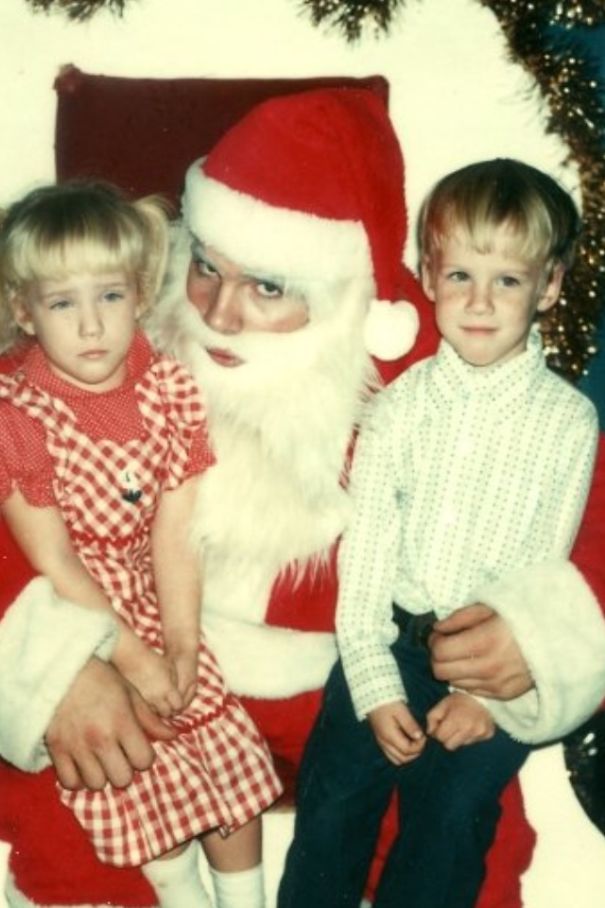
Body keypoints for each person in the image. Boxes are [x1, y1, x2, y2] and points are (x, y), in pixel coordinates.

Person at [1, 88, 605, 908]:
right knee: (73, 850)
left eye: (267, 287)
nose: (219, 314)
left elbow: (587, 507)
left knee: (460, 856)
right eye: (205, 267)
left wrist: (537, 633)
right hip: (145, 670)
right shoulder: (107, 333)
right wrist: (56, 665)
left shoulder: (417, 353)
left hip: (348, 681)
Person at [277, 158, 600, 908]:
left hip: (488, 667)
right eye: (459, 276)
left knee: (449, 829)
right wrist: (371, 679)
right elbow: (366, 555)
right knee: (332, 806)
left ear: (549, 285)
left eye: (507, 280)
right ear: (428, 276)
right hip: (386, 640)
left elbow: (541, 575)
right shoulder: (396, 409)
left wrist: (483, 702)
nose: (479, 302)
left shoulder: (567, 423)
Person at [0, 181, 282, 908]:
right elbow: (55, 560)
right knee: (141, 774)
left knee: (226, 758)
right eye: (63, 304)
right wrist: (131, 658)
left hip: (158, 602)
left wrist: (182, 644)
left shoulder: (169, 389)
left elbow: (175, 533)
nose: (92, 325)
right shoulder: (17, 416)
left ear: (140, 293)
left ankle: (246, 900)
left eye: (110, 296)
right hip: (85, 623)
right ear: (24, 311)